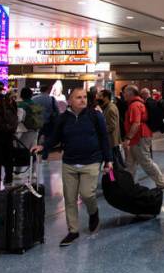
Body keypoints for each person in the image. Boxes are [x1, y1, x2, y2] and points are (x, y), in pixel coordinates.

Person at [34, 88, 113, 247]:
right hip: (69, 163)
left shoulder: (95, 116)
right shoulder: (63, 119)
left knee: (87, 194)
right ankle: (73, 231)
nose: (83, 100)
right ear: (69, 101)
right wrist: (44, 147)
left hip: (91, 162)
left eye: (84, 97)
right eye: (78, 98)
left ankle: (93, 213)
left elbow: (104, 138)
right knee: (69, 198)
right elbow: (55, 136)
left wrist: (108, 160)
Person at [122, 85, 164, 189]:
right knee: (130, 162)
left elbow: (136, 123)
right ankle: (130, 184)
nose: (123, 94)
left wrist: (128, 138)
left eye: (125, 92)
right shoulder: (136, 104)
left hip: (139, 137)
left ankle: (162, 182)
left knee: (145, 161)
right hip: (137, 137)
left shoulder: (134, 106)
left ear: (130, 93)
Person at [96, 89, 123, 167]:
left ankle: (114, 177)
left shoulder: (111, 108)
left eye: (100, 96)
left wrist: (100, 130)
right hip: (111, 141)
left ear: (106, 97)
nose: (98, 98)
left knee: (112, 163)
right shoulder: (107, 107)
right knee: (113, 162)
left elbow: (112, 125)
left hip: (111, 141)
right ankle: (112, 177)